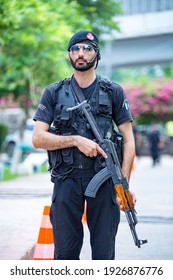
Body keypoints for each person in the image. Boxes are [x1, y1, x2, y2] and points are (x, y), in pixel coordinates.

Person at [32, 30, 136, 260]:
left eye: (88, 49)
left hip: (104, 180)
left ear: (96, 55)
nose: (81, 53)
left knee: (103, 254)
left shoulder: (113, 92)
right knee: (65, 254)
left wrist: (124, 186)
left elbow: (129, 140)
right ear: (69, 54)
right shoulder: (54, 92)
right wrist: (76, 141)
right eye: (76, 48)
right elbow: (38, 138)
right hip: (66, 180)